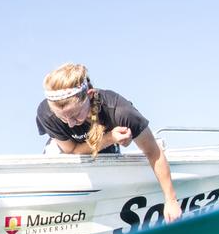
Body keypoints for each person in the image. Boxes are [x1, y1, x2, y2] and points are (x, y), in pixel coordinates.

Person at [37, 62, 182, 224]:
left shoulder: (121, 112)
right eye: (63, 118)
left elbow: (153, 152)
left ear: (90, 95)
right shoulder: (46, 114)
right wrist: (109, 138)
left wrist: (171, 200)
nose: (70, 124)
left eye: (76, 115)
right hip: (68, 150)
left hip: (104, 153)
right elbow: (72, 151)